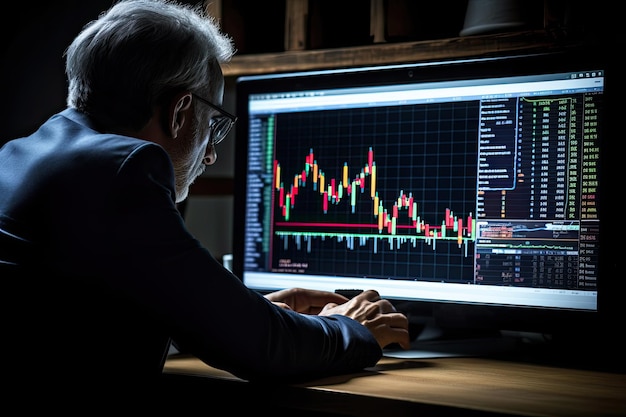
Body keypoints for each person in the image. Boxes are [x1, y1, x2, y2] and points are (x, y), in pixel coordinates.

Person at [0, 0, 410, 408]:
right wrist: (351, 328)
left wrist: (230, 316)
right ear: (180, 111)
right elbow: (263, 351)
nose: (210, 155)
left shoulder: (21, 154)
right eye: (213, 123)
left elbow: (73, 314)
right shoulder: (123, 170)